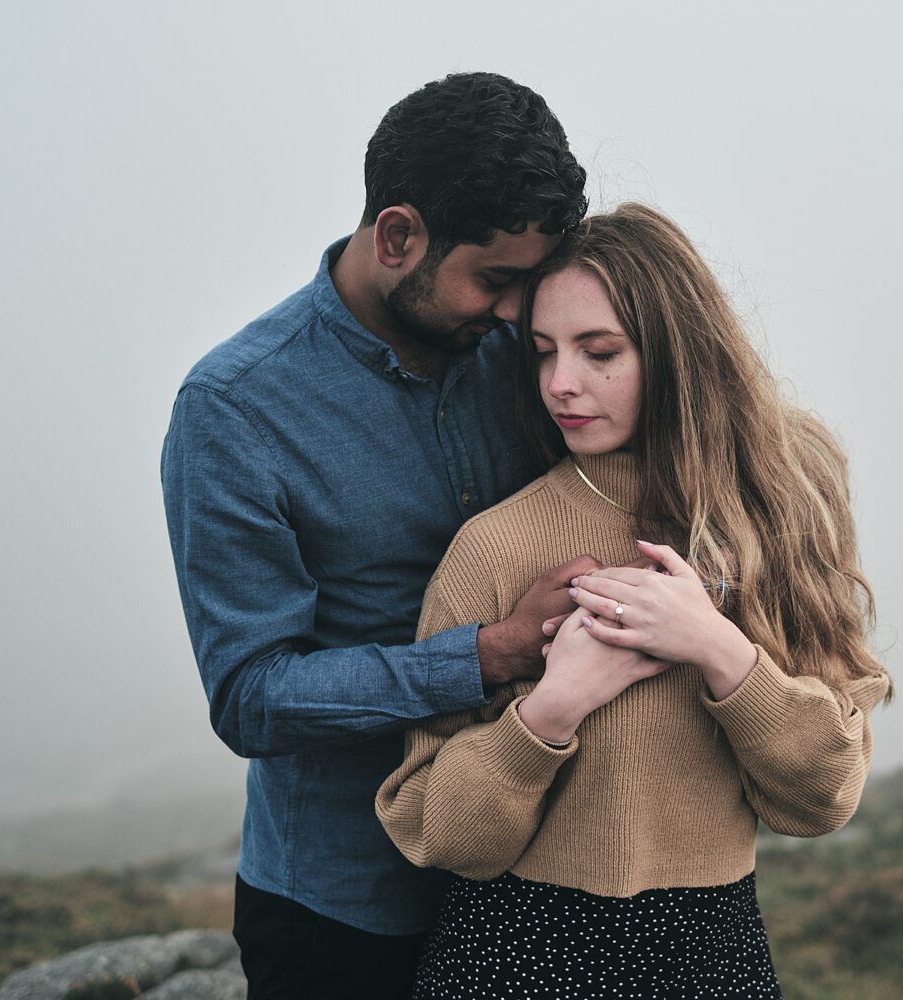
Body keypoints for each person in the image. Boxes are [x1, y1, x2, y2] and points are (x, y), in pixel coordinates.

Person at [376, 203, 894, 998]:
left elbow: (824, 797)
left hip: (710, 957)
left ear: (677, 351)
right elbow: (432, 827)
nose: (561, 384)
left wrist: (720, 650)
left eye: (600, 351)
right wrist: (549, 712)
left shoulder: (777, 514)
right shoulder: (495, 545)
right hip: (514, 956)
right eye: (543, 352)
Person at [160, 72, 593, 999]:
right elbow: (250, 696)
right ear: (398, 236)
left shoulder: (517, 356)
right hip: (344, 909)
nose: (518, 314)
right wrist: (485, 655)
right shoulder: (233, 411)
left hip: (530, 876)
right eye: (497, 280)